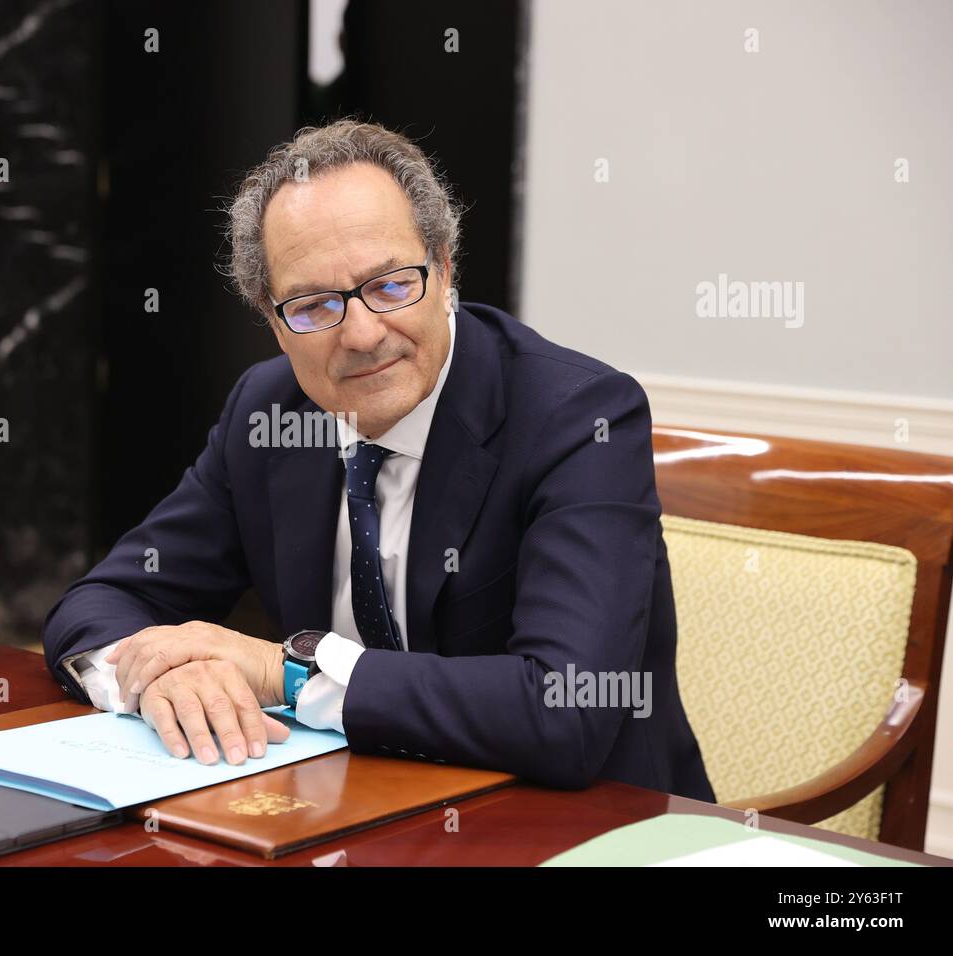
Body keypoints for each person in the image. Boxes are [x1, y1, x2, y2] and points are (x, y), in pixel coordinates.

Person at [43, 119, 714, 801]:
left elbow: (563, 711)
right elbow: (105, 599)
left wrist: (292, 673)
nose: (362, 334)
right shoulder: (270, 413)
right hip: (352, 812)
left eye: (392, 285)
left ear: (445, 265)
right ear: (271, 320)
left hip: (583, 827)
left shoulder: (578, 418)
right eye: (314, 305)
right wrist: (159, 672)